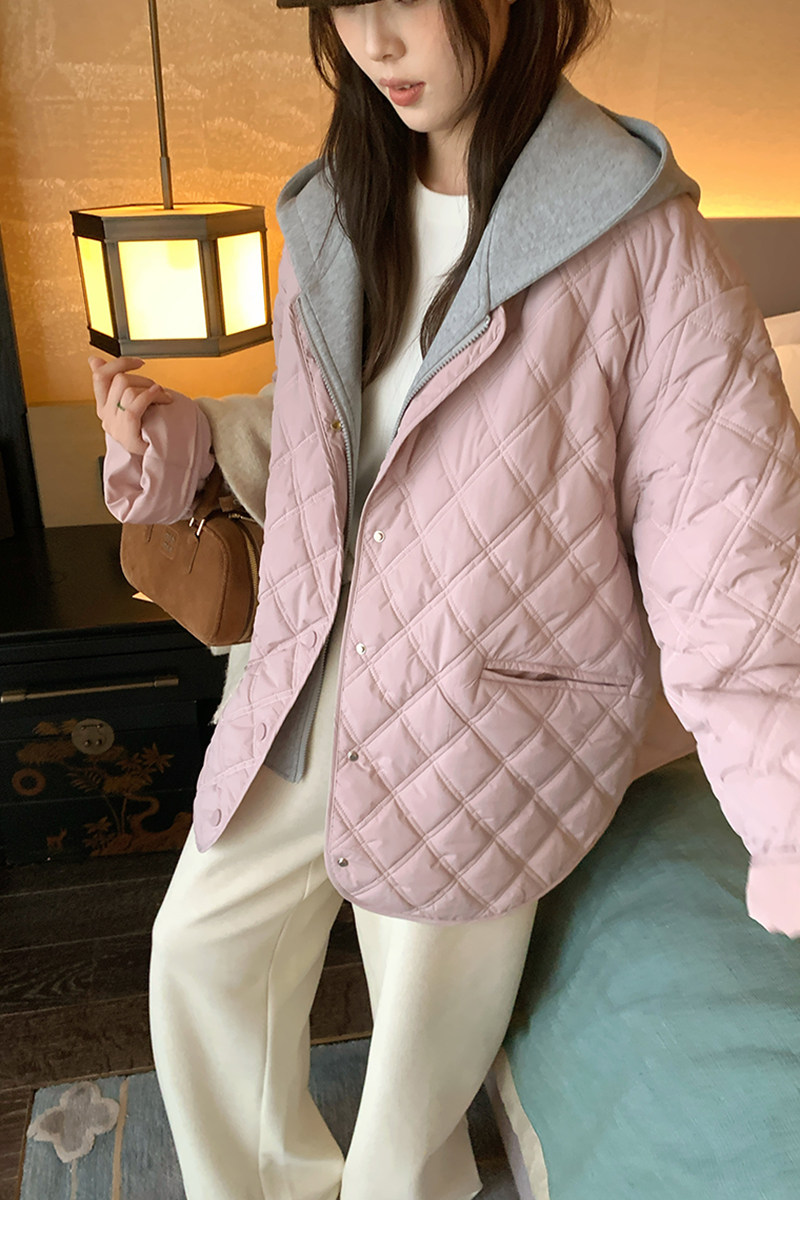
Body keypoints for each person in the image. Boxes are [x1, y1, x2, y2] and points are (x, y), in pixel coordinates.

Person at [89, 0, 800, 1201]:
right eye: (344, 1)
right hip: (313, 666)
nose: (373, 41)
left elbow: (733, 555)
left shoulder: (638, 243)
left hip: (486, 713)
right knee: (198, 956)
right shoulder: (330, 207)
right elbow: (335, 439)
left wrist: (783, 821)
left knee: (404, 1111)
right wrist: (191, 437)